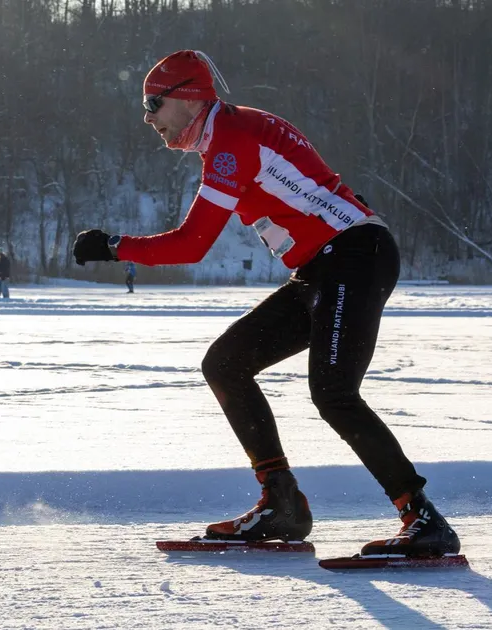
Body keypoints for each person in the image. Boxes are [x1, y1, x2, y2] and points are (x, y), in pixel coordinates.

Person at [72, 50, 458, 559]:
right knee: (226, 364)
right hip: (327, 264)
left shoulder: (229, 141)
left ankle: (422, 517)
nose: (147, 117)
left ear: (188, 99)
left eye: (153, 103)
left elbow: (191, 246)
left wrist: (114, 246)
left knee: (334, 393)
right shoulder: (230, 132)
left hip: (354, 257)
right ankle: (281, 502)